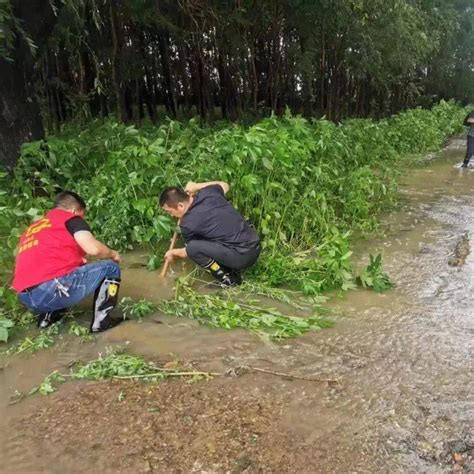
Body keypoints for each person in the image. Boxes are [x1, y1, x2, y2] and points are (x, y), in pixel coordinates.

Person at [12, 191, 123, 332]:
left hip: (26, 298)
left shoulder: (33, 229)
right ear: (73, 211)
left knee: (57, 276)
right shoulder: (71, 219)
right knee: (110, 268)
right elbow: (94, 249)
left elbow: (45, 260)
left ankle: (46, 320)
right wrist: (112, 253)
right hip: (51, 290)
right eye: (82, 215)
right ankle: (102, 321)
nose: (82, 219)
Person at [159, 181, 260, 287]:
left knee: (193, 247)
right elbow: (224, 185)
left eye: (170, 212)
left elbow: (190, 251)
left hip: (242, 257)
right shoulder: (208, 193)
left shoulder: (188, 224)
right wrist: (196, 186)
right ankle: (231, 269)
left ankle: (229, 280)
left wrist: (173, 253)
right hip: (255, 246)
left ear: (180, 206)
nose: (171, 215)